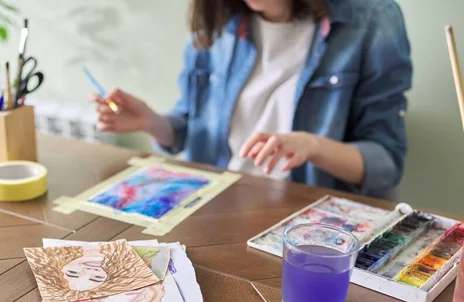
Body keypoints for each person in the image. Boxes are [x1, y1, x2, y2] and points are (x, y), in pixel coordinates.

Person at [90, 0, 412, 198]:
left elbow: (386, 162)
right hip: (218, 204)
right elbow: (192, 129)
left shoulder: (373, 19)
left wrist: (312, 147)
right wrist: (151, 122)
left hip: (309, 221)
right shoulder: (218, 17)